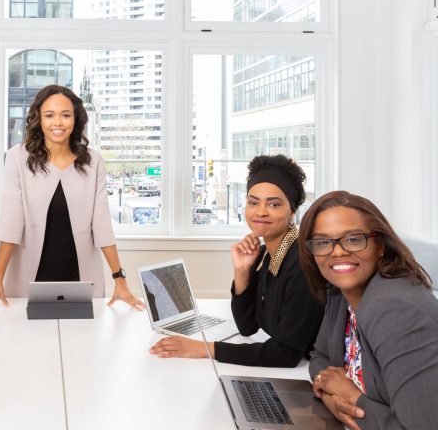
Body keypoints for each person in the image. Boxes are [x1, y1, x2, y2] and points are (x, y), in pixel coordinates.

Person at [0, 85, 144, 311]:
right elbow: (10, 224)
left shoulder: (93, 161)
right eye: (49, 115)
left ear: (76, 119)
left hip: (80, 278)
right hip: (29, 278)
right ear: (39, 119)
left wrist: (119, 280)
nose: (58, 123)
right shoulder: (17, 157)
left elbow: (102, 225)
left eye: (66, 115)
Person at [150, 155, 324, 367]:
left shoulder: (302, 263)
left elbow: (285, 354)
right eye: (253, 202)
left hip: (313, 373)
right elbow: (247, 326)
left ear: (292, 212)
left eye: (274, 204)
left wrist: (204, 349)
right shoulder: (264, 254)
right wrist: (242, 270)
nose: (261, 212)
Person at [299, 191, 438, 430]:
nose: (337, 252)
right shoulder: (339, 294)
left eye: (353, 239)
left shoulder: (393, 309)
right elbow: (319, 357)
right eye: (323, 242)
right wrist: (330, 395)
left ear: (380, 246)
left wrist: (352, 397)